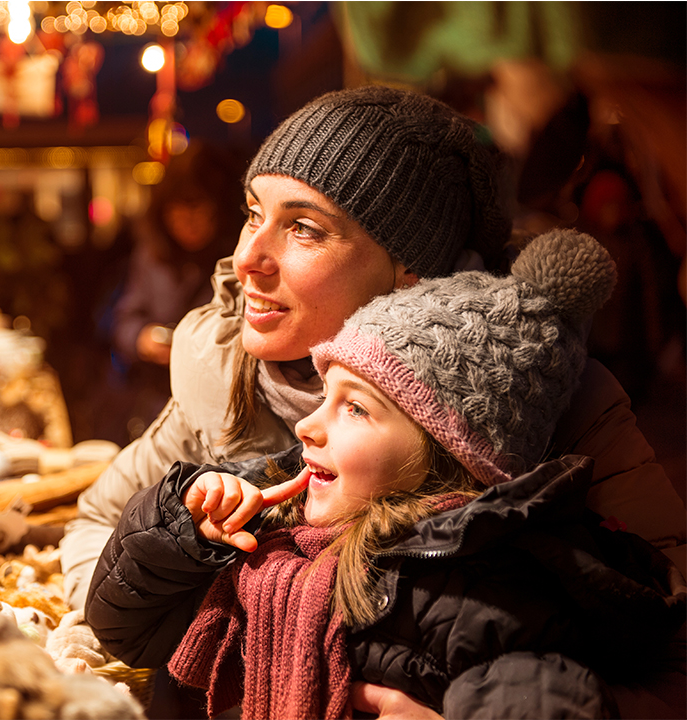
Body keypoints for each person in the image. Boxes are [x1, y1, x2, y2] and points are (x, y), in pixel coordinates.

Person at [60, 85, 686, 616]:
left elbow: (673, 624)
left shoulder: (543, 391)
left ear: (408, 270)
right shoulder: (224, 373)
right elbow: (98, 522)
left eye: (303, 227)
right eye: (255, 214)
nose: (247, 257)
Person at [86, 229, 687, 719]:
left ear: (447, 454)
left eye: (355, 407)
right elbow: (126, 631)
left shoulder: (485, 595)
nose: (308, 427)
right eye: (326, 394)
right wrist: (179, 535)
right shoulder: (273, 533)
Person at [103, 140, 245, 443]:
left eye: (199, 208)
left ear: (217, 209)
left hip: (222, 406)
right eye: (178, 210)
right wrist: (142, 339)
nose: (188, 222)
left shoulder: (240, 259)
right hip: (158, 401)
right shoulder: (152, 255)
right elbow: (124, 319)